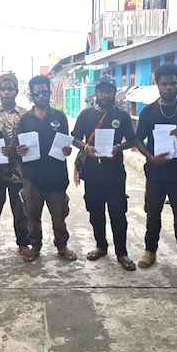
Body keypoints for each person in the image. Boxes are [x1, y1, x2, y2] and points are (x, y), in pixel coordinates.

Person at [135, 63, 177, 270]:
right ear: (158, 85)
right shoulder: (149, 111)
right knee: (153, 214)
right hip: (155, 174)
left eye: (173, 83)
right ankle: (150, 251)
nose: (169, 88)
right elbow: (138, 140)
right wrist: (150, 157)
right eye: (164, 84)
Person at [72, 76, 137, 271]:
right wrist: (85, 147)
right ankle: (101, 246)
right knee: (95, 213)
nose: (105, 95)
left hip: (115, 174)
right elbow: (74, 138)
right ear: (96, 93)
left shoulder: (123, 115)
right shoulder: (86, 115)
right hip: (92, 174)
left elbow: (132, 140)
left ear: (114, 92)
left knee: (118, 214)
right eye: (101, 91)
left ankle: (122, 252)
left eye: (109, 91)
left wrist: (118, 146)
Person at [16, 75, 77, 262]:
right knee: (33, 216)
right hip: (32, 177)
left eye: (45, 92)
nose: (41, 96)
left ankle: (62, 245)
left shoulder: (59, 117)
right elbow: (17, 147)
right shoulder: (25, 119)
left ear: (50, 92)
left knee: (59, 216)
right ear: (31, 95)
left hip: (56, 176)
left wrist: (68, 150)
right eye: (37, 93)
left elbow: (66, 145)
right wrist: (20, 150)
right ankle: (35, 246)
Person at [0, 73, 30, 258]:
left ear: (16, 91)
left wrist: (18, 149)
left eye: (10, 88)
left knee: (20, 211)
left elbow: (29, 143)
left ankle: (23, 243)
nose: (7, 92)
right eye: (3, 89)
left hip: (18, 171)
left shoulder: (25, 115)